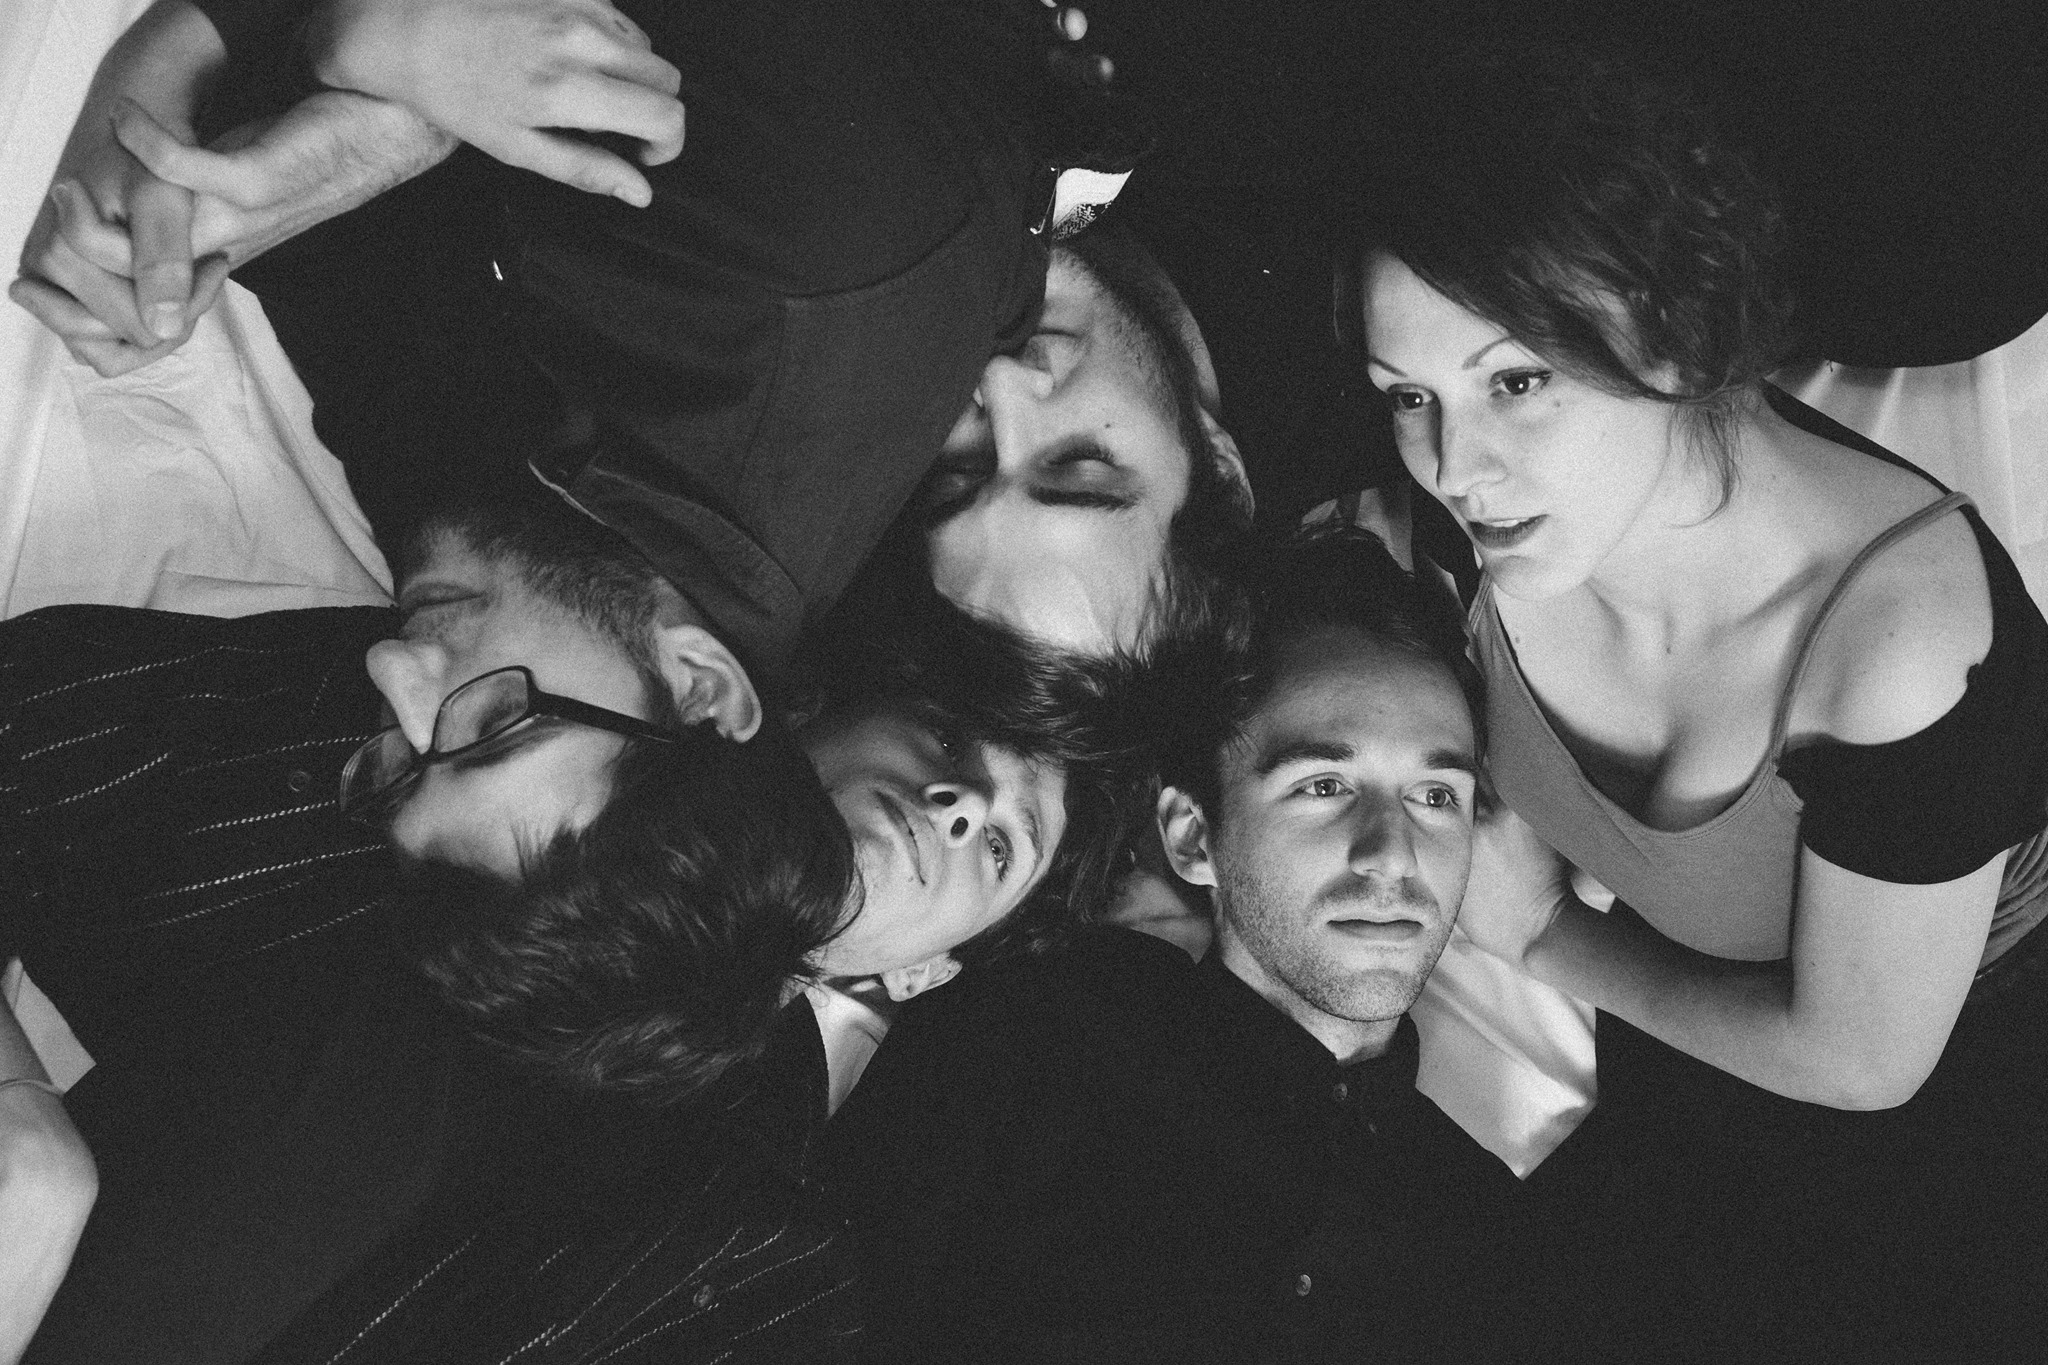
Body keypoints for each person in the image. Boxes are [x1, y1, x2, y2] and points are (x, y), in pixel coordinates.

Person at [2, 484, 1123, 1361]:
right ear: (783, 708)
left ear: (926, 975)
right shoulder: (469, 715)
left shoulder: (767, 1276)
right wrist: (22, 1130)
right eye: (944, 742)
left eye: (1001, 844)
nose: (957, 804)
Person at [1352, 42, 2048, 1360]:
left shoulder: (1894, 652)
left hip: (1966, 1093)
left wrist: (1541, 935)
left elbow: (1861, 1061)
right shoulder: (1472, 522)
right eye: (1408, 396)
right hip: (1680, 1031)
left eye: (1516, 382)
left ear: (1674, 337)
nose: (1455, 463)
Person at [14, 0, 1254, 661]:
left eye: (959, 472)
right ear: (1218, 455)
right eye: (1080, 467)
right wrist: (359, 48)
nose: (1006, 386)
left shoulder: (851, 317)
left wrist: (245, 86)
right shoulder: (1244, 111)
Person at [822, 525, 1544, 1365]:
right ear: (1194, 837)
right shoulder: (1037, 1033)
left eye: (1436, 795)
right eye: (1323, 785)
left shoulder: (1489, 1229)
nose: (1393, 852)